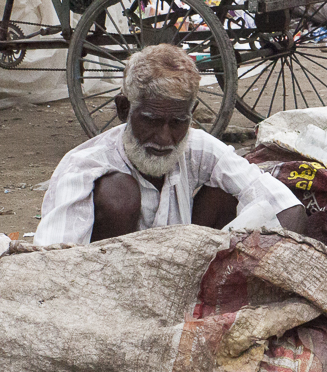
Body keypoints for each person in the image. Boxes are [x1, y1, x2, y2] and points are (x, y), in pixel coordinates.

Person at [37, 45, 305, 245]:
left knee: (228, 195)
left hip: (182, 276)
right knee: (119, 192)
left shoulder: (198, 148)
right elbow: (51, 258)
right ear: (123, 109)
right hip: (108, 285)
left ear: (192, 114)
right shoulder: (84, 166)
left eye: (178, 122)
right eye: (151, 121)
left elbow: (285, 206)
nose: (165, 139)